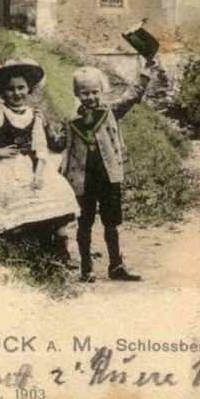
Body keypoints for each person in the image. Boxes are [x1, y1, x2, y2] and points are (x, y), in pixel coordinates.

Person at [0, 57, 78, 262]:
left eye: (21, 88)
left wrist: (39, 173)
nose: (17, 93)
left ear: (29, 89)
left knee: (55, 190)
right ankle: (21, 248)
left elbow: (40, 147)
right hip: (5, 167)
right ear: (3, 92)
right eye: (11, 89)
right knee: (12, 203)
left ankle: (57, 249)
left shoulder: (34, 115)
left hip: (30, 166)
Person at [57, 63, 152, 283]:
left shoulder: (110, 111)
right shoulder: (72, 122)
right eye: (85, 93)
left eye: (94, 92)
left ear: (101, 91)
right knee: (85, 224)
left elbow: (132, 96)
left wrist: (146, 74)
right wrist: (39, 125)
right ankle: (86, 269)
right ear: (77, 94)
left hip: (109, 176)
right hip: (82, 180)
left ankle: (116, 266)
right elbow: (57, 144)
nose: (90, 97)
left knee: (111, 222)